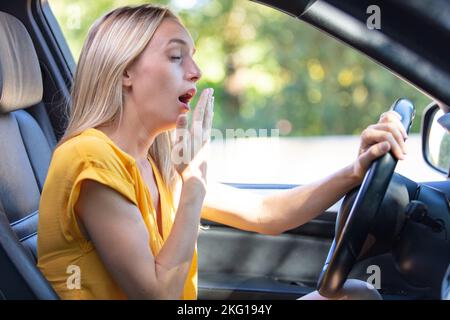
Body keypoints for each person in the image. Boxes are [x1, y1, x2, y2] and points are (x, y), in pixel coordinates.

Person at [37, 4, 408, 300]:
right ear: (125, 72)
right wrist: (194, 182)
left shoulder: (153, 164)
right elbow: (159, 295)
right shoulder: (90, 158)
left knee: (354, 294)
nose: (196, 71)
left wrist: (355, 171)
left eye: (193, 57)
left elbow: (266, 214)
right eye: (176, 57)